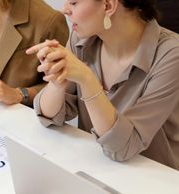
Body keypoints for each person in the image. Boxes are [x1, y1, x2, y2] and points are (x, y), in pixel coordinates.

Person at [26, 0, 179, 169]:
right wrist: (57, 81)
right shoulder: (82, 39)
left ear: (108, 5)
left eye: (74, 3)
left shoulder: (171, 56)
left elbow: (123, 148)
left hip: (153, 177)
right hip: (96, 168)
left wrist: (87, 79)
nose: (64, 10)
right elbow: (49, 117)